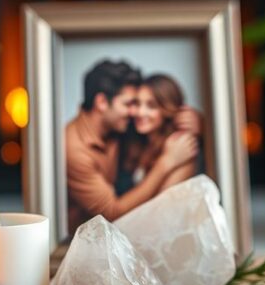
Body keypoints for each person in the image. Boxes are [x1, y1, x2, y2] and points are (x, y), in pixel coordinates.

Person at [65, 60, 198, 233]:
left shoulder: (123, 125)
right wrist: (166, 162)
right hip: (87, 239)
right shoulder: (74, 150)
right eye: (130, 104)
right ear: (102, 102)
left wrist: (201, 124)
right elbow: (112, 212)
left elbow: (163, 218)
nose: (136, 112)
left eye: (149, 105)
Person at [117, 73, 201, 195]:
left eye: (151, 106)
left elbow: (163, 206)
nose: (140, 112)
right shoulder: (136, 141)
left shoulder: (180, 145)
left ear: (166, 109)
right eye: (137, 103)